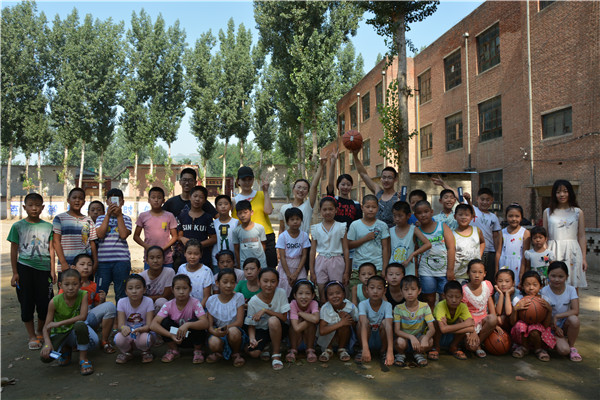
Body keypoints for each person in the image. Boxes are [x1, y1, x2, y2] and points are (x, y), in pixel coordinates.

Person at [8, 192, 55, 350]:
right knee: (26, 303)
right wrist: (15, 273)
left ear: (42, 207)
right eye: (30, 205)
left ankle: (40, 331)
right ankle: (31, 336)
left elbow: (51, 249)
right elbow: (14, 250)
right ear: (24, 207)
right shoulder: (17, 226)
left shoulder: (48, 227)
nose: (34, 208)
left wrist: (52, 270)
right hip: (24, 268)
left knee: (45, 303)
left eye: (37, 205)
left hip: (44, 270)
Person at [40, 269, 97, 375]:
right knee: (45, 357)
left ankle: (83, 359)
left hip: (74, 330)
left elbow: (83, 317)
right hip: (60, 333)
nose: (71, 288)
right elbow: (46, 327)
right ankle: (66, 348)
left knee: (83, 329)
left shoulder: (83, 294)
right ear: (60, 285)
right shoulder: (54, 302)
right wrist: (47, 344)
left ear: (80, 285)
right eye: (66, 284)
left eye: (75, 284)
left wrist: (59, 323)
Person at [150, 274, 209, 364]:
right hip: (175, 336)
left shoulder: (195, 303)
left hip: (191, 336)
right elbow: (153, 325)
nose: (181, 292)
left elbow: (205, 323)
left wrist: (188, 325)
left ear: (190, 289)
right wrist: (170, 335)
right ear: (172, 290)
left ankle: (197, 350)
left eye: (185, 288)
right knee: (165, 322)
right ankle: (174, 350)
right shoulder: (168, 305)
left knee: (196, 322)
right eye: (177, 288)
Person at [65, 253, 116, 354]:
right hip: (73, 320)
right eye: (82, 264)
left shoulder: (94, 286)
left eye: (89, 265)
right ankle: (72, 342)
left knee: (110, 306)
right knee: (91, 343)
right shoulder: (68, 284)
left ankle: (104, 340)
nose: (86, 267)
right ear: (74, 267)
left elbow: (98, 309)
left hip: (88, 318)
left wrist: (102, 300)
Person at [543, 179, 587, 289]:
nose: (562, 194)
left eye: (565, 191)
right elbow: (544, 236)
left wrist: (584, 258)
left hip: (573, 252)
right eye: (558, 192)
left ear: (570, 192)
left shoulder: (578, 212)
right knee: (551, 285)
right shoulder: (547, 212)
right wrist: (545, 256)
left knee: (573, 286)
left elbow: (581, 236)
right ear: (554, 194)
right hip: (553, 251)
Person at [414, 200, 456, 312]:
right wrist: (416, 271)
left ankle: (443, 321)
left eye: (426, 211)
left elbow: (451, 248)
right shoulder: (416, 231)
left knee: (445, 298)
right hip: (426, 271)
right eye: (419, 213)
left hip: (444, 271)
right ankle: (431, 321)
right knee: (429, 299)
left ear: (432, 212)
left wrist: (450, 270)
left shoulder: (442, 226)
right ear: (415, 215)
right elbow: (415, 251)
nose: (423, 215)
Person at [245, 268, 290, 370]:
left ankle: (276, 354)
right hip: (261, 330)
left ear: (277, 282)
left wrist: (266, 310)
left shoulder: (281, 293)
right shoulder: (253, 301)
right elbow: (251, 325)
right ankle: (264, 345)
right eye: (265, 281)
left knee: (273, 320)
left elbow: (284, 318)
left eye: (273, 281)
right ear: (259, 282)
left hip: (279, 328)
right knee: (254, 353)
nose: (269, 285)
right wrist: (252, 339)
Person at [232, 166, 276, 268]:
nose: (247, 182)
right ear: (238, 181)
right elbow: (236, 222)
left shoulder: (261, 194)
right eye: (244, 179)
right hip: (246, 238)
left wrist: (266, 192)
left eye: (250, 179)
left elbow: (268, 211)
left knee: (269, 268)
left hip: (266, 235)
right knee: (249, 270)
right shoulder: (234, 200)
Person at [95, 189, 132, 302]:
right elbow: (100, 235)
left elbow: (123, 235)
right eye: (111, 200)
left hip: (121, 261)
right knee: (100, 293)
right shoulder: (100, 218)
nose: (114, 203)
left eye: (117, 200)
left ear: (122, 202)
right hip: (103, 261)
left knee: (121, 293)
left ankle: (120, 313)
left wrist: (119, 215)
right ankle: (101, 313)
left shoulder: (126, 218)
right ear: (107, 202)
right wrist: (108, 215)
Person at [310, 197, 350, 301]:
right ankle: (324, 308)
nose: (328, 212)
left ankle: (338, 310)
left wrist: (346, 271)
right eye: (325, 209)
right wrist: (312, 271)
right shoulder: (315, 228)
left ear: (336, 210)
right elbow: (312, 251)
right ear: (320, 211)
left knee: (337, 289)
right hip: (321, 261)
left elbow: (346, 249)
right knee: (321, 289)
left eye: (331, 209)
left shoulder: (341, 227)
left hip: (337, 261)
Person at [540, 262, 581, 362]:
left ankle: (572, 347)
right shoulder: (544, 291)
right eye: (553, 276)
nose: (556, 279)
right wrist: (554, 326)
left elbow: (575, 310)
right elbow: (543, 314)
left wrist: (557, 316)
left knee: (574, 320)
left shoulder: (571, 289)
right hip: (549, 325)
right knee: (563, 351)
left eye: (561, 276)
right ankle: (550, 342)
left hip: (564, 324)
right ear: (548, 275)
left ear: (567, 277)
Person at [510, 271, 555, 361]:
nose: (531, 288)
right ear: (522, 286)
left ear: (540, 286)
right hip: (521, 334)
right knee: (520, 325)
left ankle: (539, 349)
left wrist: (549, 310)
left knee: (534, 329)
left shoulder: (544, 300)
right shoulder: (518, 299)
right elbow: (512, 323)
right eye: (527, 285)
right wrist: (515, 309)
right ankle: (524, 347)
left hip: (538, 333)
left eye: (535, 285)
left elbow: (546, 325)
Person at [205, 269, 246, 366]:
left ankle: (236, 353)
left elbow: (239, 322)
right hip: (218, 331)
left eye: (232, 282)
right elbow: (209, 326)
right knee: (213, 342)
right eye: (225, 282)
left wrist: (225, 328)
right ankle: (220, 353)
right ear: (217, 283)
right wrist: (215, 332)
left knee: (233, 331)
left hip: (234, 331)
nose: (229, 285)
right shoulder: (211, 300)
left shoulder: (238, 297)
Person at [53, 187, 98, 275]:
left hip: (84, 266)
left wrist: (95, 262)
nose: (77, 200)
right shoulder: (60, 218)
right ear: (68, 200)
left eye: (80, 198)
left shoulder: (88, 220)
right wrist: (63, 263)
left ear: (84, 202)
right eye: (74, 198)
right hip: (66, 265)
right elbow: (56, 242)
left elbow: (92, 243)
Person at [393, 275, 435, 367]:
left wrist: (426, 338)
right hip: (404, 338)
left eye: (413, 289)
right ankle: (401, 354)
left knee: (430, 340)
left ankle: (418, 353)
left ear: (419, 291)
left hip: (419, 339)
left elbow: (432, 329)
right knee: (399, 341)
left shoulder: (425, 306)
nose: (409, 292)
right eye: (406, 289)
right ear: (401, 291)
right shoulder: (398, 308)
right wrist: (411, 337)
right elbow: (397, 331)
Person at [114, 274, 156, 364]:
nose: (134, 291)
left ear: (144, 290)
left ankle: (145, 351)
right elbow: (120, 325)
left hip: (143, 332)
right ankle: (127, 352)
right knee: (118, 338)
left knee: (145, 339)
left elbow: (149, 325)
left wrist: (140, 329)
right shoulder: (121, 302)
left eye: (138, 288)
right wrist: (123, 328)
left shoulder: (148, 301)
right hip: (129, 333)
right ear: (126, 291)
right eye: (130, 288)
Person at [134, 187, 178, 270]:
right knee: (149, 278)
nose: (156, 200)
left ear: (163, 200)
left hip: (166, 258)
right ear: (149, 200)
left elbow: (175, 236)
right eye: (153, 197)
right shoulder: (143, 216)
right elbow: (136, 236)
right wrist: (147, 247)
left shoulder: (169, 216)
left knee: (167, 278)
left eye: (159, 198)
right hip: (149, 257)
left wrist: (163, 248)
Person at [352, 149, 399, 227]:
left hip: (391, 232)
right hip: (375, 232)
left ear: (395, 179)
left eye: (389, 178)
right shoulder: (378, 192)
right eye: (384, 177)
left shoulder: (397, 197)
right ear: (381, 179)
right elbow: (363, 174)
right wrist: (355, 156)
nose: (386, 180)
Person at [461, 259, 498, 358]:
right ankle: (473, 343)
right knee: (470, 347)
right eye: (474, 272)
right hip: (469, 322)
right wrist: (472, 331)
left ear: (485, 274)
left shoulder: (487, 285)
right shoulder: (464, 290)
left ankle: (478, 343)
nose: (477, 275)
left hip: (483, 320)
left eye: (480, 272)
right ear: (468, 273)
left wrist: (495, 324)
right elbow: (464, 314)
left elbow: (490, 304)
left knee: (493, 318)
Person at [431, 280, 476, 361]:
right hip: (437, 336)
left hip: (451, 335)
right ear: (444, 296)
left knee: (461, 320)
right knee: (436, 323)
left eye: (457, 297)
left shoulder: (463, 306)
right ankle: (436, 347)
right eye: (450, 297)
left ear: (462, 296)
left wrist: (447, 328)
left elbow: (472, 326)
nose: (454, 300)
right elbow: (443, 329)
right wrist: (465, 325)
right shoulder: (440, 306)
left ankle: (453, 346)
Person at [279, 158, 326, 233]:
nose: (301, 190)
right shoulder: (284, 208)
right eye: (299, 187)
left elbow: (314, 186)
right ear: (293, 189)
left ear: (307, 192)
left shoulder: (308, 206)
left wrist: (321, 166)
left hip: (304, 240)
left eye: (304, 188)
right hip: (288, 240)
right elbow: (281, 229)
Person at [348, 194, 390, 276]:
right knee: (356, 284)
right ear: (362, 207)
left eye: (374, 207)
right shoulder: (355, 225)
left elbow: (385, 248)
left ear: (378, 208)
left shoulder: (382, 225)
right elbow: (349, 245)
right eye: (367, 207)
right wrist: (365, 239)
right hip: (359, 266)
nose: (371, 210)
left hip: (377, 266)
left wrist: (385, 268)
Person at [317, 281, 358, 362]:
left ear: (344, 294)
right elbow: (322, 331)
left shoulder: (350, 307)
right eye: (331, 294)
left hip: (344, 336)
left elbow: (356, 324)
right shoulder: (325, 308)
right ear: (327, 297)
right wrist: (341, 323)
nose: (335, 296)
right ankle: (328, 349)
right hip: (328, 338)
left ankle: (341, 349)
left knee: (345, 323)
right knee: (335, 323)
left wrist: (349, 319)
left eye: (338, 293)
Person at [357, 276, 394, 366]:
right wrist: (365, 348)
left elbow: (389, 326)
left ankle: (383, 351)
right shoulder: (363, 304)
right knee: (361, 322)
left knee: (385, 323)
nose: (375, 291)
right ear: (367, 289)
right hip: (367, 337)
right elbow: (363, 323)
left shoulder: (387, 305)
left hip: (380, 338)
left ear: (384, 291)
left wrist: (390, 351)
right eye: (372, 288)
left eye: (379, 288)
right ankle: (363, 349)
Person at [176, 185, 217, 269]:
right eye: (195, 196)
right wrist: (182, 239)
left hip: (203, 257)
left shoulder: (207, 217)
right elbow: (179, 236)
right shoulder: (182, 216)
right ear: (190, 197)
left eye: (201, 197)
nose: (197, 199)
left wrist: (198, 245)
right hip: (186, 257)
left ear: (205, 200)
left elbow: (213, 238)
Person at [389, 201, 431, 276]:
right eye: (395, 216)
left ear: (408, 215)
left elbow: (428, 244)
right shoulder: (390, 231)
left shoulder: (413, 229)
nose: (397, 219)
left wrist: (412, 255)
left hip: (409, 269)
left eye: (400, 216)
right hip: (393, 270)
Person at [276, 207, 311, 296]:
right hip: (285, 266)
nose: (295, 222)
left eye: (297, 219)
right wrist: (288, 274)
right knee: (284, 289)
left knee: (300, 288)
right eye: (292, 219)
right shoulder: (283, 236)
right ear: (287, 222)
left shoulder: (304, 235)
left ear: (301, 220)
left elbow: (304, 255)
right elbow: (282, 257)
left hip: (299, 265)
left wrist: (296, 273)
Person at [470, 188, 501, 285]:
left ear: (492, 201)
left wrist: (497, 253)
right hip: (475, 251)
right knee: (476, 277)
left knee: (489, 278)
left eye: (488, 200)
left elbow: (496, 237)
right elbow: (458, 196)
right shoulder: (473, 210)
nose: (484, 202)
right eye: (482, 199)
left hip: (490, 252)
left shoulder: (493, 217)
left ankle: (489, 294)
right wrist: (443, 184)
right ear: (477, 199)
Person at [326, 149, 362, 230]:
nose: (345, 187)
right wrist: (333, 163)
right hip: (334, 234)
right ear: (338, 186)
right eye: (343, 184)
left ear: (351, 186)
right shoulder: (333, 200)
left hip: (349, 236)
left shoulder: (356, 205)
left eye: (348, 185)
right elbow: (330, 183)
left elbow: (358, 225)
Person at [496, 203, 530, 286]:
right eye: (510, 216)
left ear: (521, 217)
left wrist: (522, 272)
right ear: (506, 217)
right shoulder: (502, 232)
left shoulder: (525, 233)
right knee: (504, 285)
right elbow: (498, 252)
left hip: (518, 264)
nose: (514, 219)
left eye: (517, 216)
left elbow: (525, 254)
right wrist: (496, 270)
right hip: (504, 263)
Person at [287, 279, 320, 363]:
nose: (304, 297)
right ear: (295, 295)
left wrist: (301, 313)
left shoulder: (313, 303)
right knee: (295, 323)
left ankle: (310, 350)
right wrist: (310, 318)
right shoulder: (293, 304)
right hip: (296, 340)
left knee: (311, 324)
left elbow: (316, 319)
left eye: (307, 293)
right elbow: (296, 328)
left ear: (313, 295)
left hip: (308, 339)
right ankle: (293, 350)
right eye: (300, 293)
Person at [453, 204, 485, 282]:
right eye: (460, 215)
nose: (463, 217)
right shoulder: (452, 234)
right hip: (459, 274)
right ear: (455, 216)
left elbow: (482, 242)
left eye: (467, 215)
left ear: (472, 217)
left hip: (476, 274)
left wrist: (479, 256)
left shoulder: (477, 231)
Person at [177, 240, 214, 308]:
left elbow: (206, 296)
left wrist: (197, 311)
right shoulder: (181, 268)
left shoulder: (206, 271)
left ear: (201, 255)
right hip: (184, 307)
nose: (192, 257)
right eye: (189, 253)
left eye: (196, 254)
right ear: (185, 253)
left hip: (202, 308)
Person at [139, 246, 175, 313]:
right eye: (152, 258)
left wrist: (145, 298)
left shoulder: (169, 272)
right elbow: (138, 296)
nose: (155, 261)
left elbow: (166, 296)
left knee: (161, 301)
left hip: (163, 306)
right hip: (146, 306)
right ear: (147, 260)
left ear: (163, 259)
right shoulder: (141, 276)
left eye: (158, 257)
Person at [232, 200, 267, 269]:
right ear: (237, 215)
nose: (243, 215)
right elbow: (236, 249)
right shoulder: (236, 231)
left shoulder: (260, 228)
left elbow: (263, 245)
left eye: (245, 212)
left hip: (260, 263)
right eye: (240, 213)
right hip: (245, 265)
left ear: (251, 212)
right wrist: (239, 264)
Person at [212, 195, 239, 268]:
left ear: (231, 207)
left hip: (233, 261)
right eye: (220, 204)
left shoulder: (236, 222)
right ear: (216, 208)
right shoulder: (213, 223)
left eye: (226, 204)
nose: (223, 206)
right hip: (216, 261)